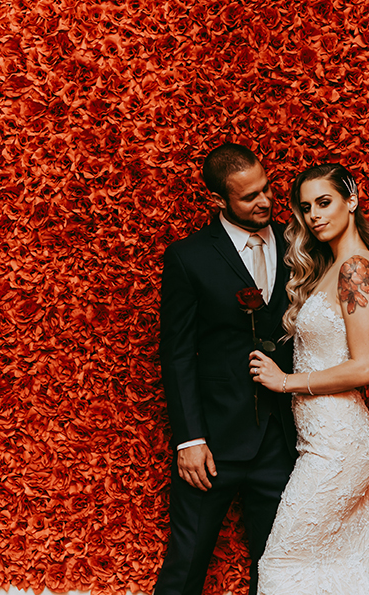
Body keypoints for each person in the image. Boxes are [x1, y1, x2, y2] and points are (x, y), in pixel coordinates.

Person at [249, 163, 369, 595]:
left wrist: (285, 382)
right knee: (341, 568)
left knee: (282, 561)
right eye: (305, 207)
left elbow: (364, 368)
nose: (314, 215)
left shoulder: (356, 269)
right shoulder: (331, 267)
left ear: (351, 200)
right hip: (318, 440)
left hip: (338, 445)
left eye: (324, 202)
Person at [155, 143, 297, 595]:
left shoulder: (299, 246)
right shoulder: (188, 256)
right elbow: (177, 353)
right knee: (186, 564)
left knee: (275, 572)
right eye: (249, 196)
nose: (266, 202)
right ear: (219, 200)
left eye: (268, 189)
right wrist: (190, 439)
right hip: (212, 444)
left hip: (281, 439)